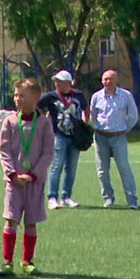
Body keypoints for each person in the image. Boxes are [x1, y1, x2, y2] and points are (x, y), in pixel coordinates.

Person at [0, 79, 54, 277]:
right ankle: (7, 262)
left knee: (31, 222)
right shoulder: (10, 122)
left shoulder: (45, 123)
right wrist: (12, 174)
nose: (17, 99)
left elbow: (48, 153)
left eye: (21, 95)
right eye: (15, 95)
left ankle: (27, 261)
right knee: (11, 220)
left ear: (35, 98)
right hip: (13, 183)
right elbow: (4, 151)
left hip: (34, 183)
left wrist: (32, 174)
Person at [37, 69, 90, 209]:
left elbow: (86, 108)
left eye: (59, 81)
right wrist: (43, 119)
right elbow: (36, 106)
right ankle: (52, 197)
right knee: (56, 166)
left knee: (71, 168)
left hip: (76, 136)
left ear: (68, 82)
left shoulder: (78, 95)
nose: (56, 83)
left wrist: (85, 122)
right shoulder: (50, 96)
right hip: (58, 135)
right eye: (55, 81)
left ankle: (66, 196)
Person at [90, 69, 139, 209]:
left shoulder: (126, 95)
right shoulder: (96, 97)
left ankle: (132, 200)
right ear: (101, 81)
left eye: (111, 78)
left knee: (124, 168)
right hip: (101, 138)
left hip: (119, 137)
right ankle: (108, 198)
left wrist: (125, 129)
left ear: (117, 80)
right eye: (105, 79)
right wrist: (97, 128)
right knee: (102, 171)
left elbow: (134, 116)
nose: (108, 82)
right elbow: (93, 116)